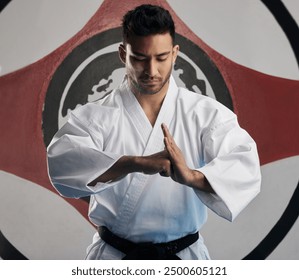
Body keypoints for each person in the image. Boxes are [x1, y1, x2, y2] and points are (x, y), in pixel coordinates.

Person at [47, 4, 261, 260]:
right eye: (139, 58)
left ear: (174, 54)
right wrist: (132, 163)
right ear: (122, 53)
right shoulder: (96, 117)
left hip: (183, 258)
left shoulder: (205, 114)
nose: (151, 71)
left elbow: (244, 166)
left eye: (161, 58)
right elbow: (61, 163)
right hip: (115, 257)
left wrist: (192, 177)